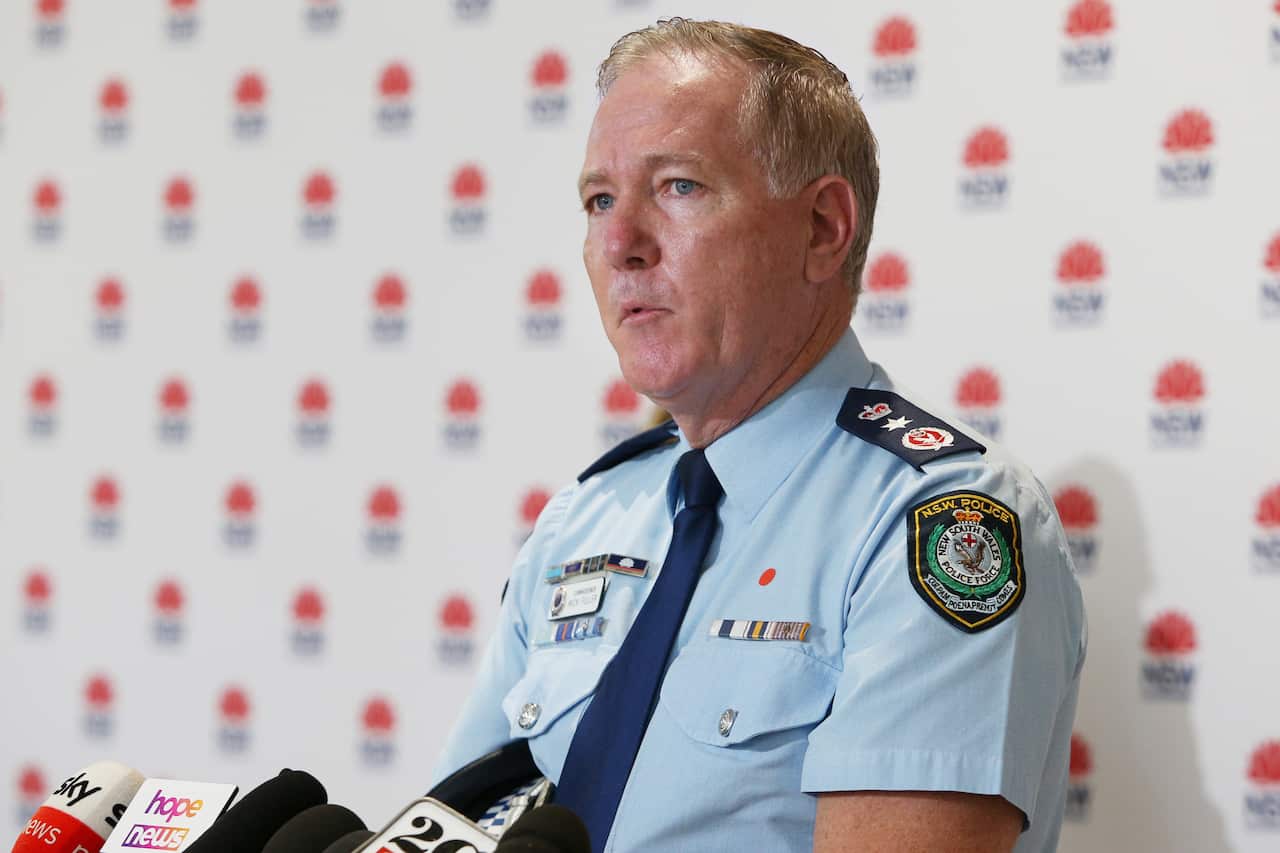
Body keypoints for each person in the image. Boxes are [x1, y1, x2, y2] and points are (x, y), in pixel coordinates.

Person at [432, 18, 1086, 853]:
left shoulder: (940, 521)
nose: (620, 243)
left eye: (678, 186)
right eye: (599, 200)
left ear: (822, 229)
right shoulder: (584, 520)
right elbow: (445, 822)